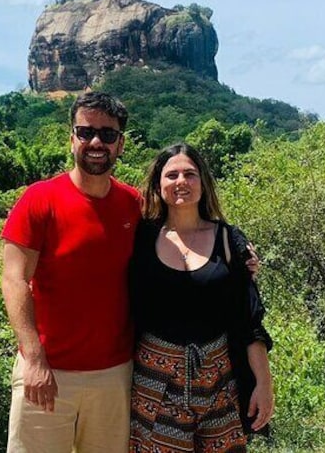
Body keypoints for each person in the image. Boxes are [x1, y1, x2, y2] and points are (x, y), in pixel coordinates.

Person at [0, 91, 142, 453]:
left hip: (114, 375)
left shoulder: (134, 205)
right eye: (86, 132)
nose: (96, 142)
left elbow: (183, 239)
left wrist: (237, 253)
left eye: (107, 135)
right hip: (47, 372)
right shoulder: (40, 199)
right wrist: (34, 360)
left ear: (120, 144)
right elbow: (14, 279)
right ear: (72, 138)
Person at [128, 143, 274, 453]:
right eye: (172, 175)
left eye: (190, 174)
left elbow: (249, 319)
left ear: (203, 182)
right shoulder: (140, 238)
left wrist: (264, 383)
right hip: (155, 380)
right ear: (158, 184)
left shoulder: (228, 240)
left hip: (219, 378)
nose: (181, 181)